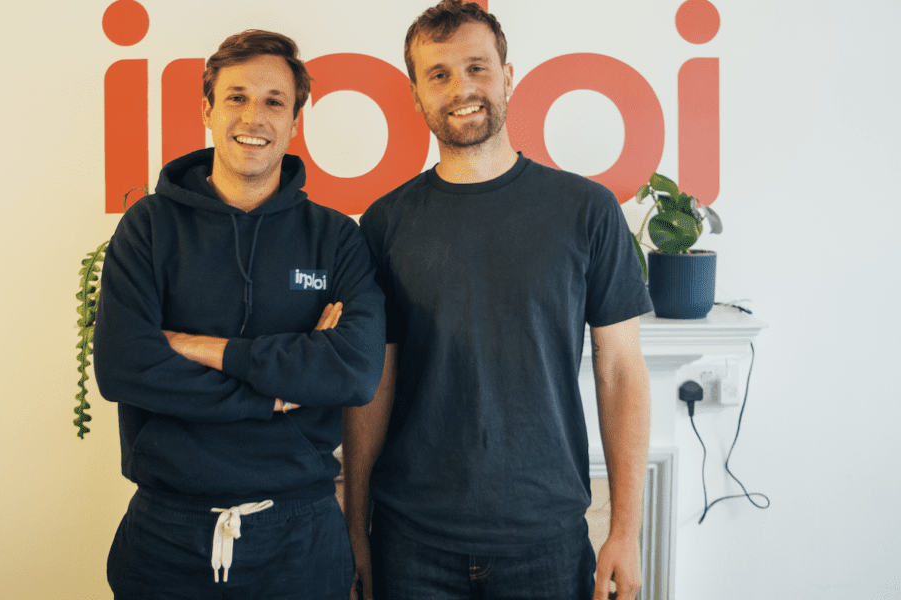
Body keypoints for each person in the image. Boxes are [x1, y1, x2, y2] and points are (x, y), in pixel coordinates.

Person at [344, 2, 653, 599]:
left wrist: (625, 530)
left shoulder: (587, 210)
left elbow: (621, 372)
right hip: (411, 541)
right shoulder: (384, 222)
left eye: (477, 68)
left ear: (508, 77)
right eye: (438, 74)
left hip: (547, 539)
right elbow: (374, 383)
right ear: (416, 94)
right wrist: (355, 526)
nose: (461, 88)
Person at [93, 29, 386, 599]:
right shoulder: (148, 227)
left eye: (274, 101)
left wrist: (199, 348)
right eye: (236, 97)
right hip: (166, 535)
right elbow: (124, 366)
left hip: (301, 537)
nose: (254, 117)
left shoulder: (336, 239)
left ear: (294, 121)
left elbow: (352, 371)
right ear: (207, 110)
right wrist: (275, 393)